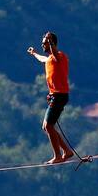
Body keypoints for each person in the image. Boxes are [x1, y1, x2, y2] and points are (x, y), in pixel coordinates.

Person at [27, 31, 73, 164]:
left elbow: (55, 53)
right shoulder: (49, 60)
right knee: (46, 126)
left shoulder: (60, 56)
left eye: (45, 44)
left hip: (60, 96)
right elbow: (42, 59)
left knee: (49, 126)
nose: (43, 46)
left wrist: (50, 42)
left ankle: (58, 156)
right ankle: (67, 151)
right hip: (55, 96)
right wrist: (34, 53)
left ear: (52, 43)